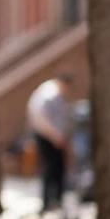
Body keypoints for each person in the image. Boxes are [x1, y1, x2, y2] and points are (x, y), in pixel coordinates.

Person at [27, 72, 75, 211]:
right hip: (48, 136)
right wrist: (55, 136)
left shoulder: (48, 91)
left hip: (52, 136)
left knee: (56, 168)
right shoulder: (50, 94)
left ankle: (54, 200)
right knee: (52, 168)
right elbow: (41, 118)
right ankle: (50, 201)